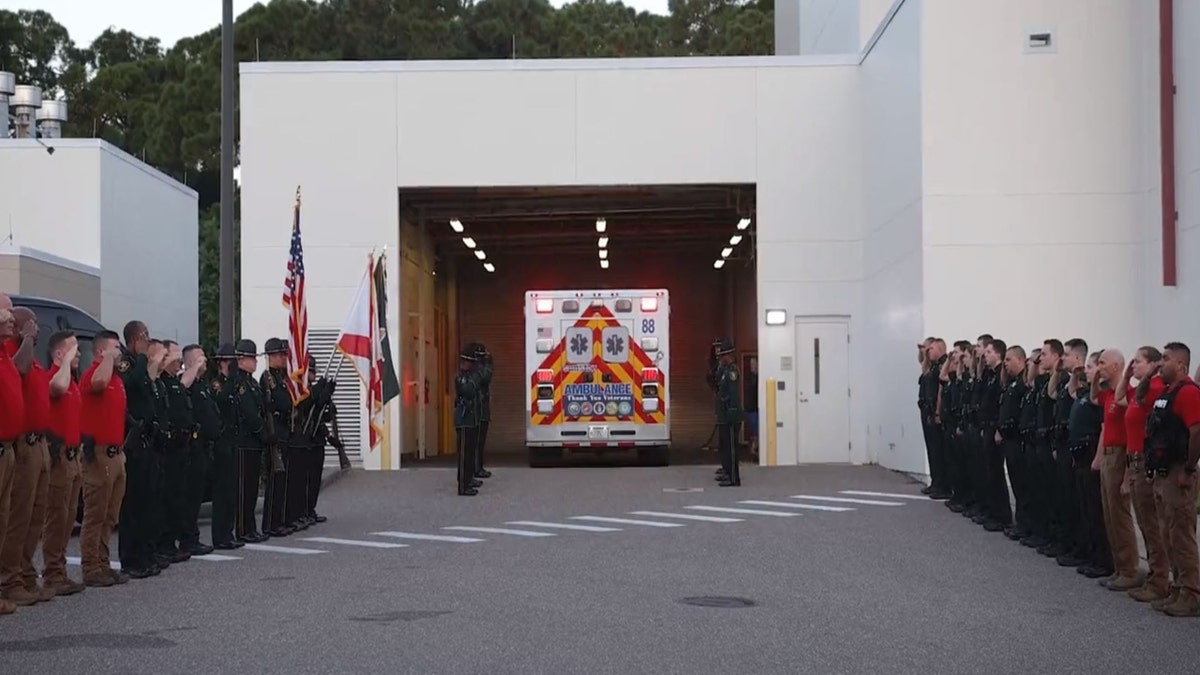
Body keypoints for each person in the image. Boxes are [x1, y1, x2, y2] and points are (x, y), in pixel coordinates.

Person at [1, 307, 53, 607]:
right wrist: (27, 340)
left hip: (39, 441)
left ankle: (24, 572)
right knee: (17, 517)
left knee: (34, 514)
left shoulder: (26, 354)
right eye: (28, 322)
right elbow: (19, 369)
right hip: (21, 444)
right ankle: (10, 579)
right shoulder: (12, 351)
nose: (35, 326)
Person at [1145, 342, 1200, 616]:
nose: (1160, 363)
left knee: (1181, 536)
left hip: (1179, 472)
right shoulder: (1166, 393)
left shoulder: (1188, 393)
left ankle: (1191, 594)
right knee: (1168, 534)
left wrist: (1188, 469)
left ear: (1181, 364)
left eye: (1165, 358)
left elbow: (1196, 432)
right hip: (1163, 472)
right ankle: (1177, 588)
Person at [1116, 347, 1170, 603]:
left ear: (1153, 364)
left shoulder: (1156, 388)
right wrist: (1127, 376)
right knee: (1146, 524)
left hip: (1146, 463)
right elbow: (1120, 399)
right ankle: (1154, 577)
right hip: (1134, 461)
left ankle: (1160, 580)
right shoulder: (1141, 391)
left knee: (1152, 525)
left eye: (1137, 362)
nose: (1133, 365)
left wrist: (1146, 377)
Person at [79, 330, 129, 588]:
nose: (119, 352)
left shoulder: (116, 377)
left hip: (116, 452)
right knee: (95, 512)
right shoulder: (94, 373)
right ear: (101, 351)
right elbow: (97, 384)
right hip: (98, 454)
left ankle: (103, 562)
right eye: (114, 348)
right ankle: (90, 566)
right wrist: (108, 359)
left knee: (110, 514)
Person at [115, 321, 163, 578]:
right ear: (134, 339)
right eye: (145, 336)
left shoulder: (140, 364)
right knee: (132, 505)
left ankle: (147, 552)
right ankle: (131, 558)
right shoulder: (128, 362)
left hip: (148, 442)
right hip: (133, 444)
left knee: (148, 502)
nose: (148, 339)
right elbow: (130, 384)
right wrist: (143, 357)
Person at [41, 330, 86, 596]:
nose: (78, 353)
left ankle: (60, 570)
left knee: (68, 518)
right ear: (59, 353)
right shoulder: (55, 378)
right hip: (58, 459)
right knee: (56, 517)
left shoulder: (72, 382)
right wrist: (65, 362)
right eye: (73, 349)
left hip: (73, 456)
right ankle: (51, 574)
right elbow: (55, 387)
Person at [1092, 349, 1139, 592]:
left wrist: (1128, 475)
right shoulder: (1109, 394)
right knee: (1110, 515)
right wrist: (1094, 378)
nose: (1099, 366)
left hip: (1122, 456)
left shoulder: (1128, 394)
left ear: (1117, 366)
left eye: (1103, 363)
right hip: (1109, 455)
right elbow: (1093, 397)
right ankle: (1119, 568)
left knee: (1120, 516)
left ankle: (1130, 570)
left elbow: (1132, 433)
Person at [157, 340, 199, 560]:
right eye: (173, 355)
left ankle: (173, 542)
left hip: (183, 446)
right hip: (169, 448)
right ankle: (165, 544)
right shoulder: (163, 382)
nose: (178, 360)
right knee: (168, 498)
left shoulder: (173, 382)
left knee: (179, 497)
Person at [180, 344, 216, 556]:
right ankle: (188, 539)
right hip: (192, 447)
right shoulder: (188, 381)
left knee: (197, 495)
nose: (205, 360)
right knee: (190, 497)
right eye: (200, 357)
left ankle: (192, 537)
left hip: (204, 447)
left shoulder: (202, 384)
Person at [233, 339, 269, 543]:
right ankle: (242, 529)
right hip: (245, 441)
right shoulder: (240, 384)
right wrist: (261, 430)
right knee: (244, 488)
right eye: (251, 358)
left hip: (254, 443)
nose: (255, 362)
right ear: (240, 360)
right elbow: (248, 413)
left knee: (253, 487)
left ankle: (250, 527)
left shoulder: (253, 383)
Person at [0, 298, 23, 615]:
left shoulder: (6, 352)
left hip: (8, 447)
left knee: (4, 522)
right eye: (5, 310)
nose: (11, 316)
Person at [209, 343, 243, 550]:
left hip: (233, 440)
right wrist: (230, 379)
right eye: (231, 361)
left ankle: (228, 532)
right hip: (221, 443)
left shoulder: (234, 382)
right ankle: (220, 535)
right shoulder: (216, 383)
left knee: (231, 491)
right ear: (222, 362)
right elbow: (223, 399)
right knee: (221, 492)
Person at [260, 338, 294, 537]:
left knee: (283, 481)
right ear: (271, 356)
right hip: (275, 431)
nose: (284, 358)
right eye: (281, 355)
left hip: (283, 430)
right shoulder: (267, 379)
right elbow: (278, 403)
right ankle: (270, 523)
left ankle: (279, 520)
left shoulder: (281, 378)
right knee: (274, 482)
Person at [918, 338, 950, 498]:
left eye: (930, 349)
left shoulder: (944, 364)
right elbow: (923, 370)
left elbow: (940, 390)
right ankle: (936, 482)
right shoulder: (932, 366)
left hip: (936, 412)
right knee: (932, 450)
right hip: (927, 410)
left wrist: (937, 412)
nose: (928, 351)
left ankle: (942, 485)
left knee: (939, 451)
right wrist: (923, 353)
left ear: (940, 348)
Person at [714, 338, 743, 488]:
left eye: (722, 356)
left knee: (732, 448)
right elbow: (717, 382)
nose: (721, 358)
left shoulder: (732, 372)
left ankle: (734, 478)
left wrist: (731, 412)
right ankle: (728, 473)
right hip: (725, 415)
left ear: (728, 355)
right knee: (726, 446)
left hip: (731, 416)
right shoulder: (725, 370)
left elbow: (733, 394)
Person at [454, 344, 481, 497]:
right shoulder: (462, 378)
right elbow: (469, 391)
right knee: (464, 454)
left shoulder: (470, 376)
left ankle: (468, 480)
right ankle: (463, 486)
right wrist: (476, 376)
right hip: (464, 418)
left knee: (470, 452)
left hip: (471, 418)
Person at [474, 343, 493, 480]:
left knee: (480, 441)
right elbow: (486, 377)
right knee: (477, 441)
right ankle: (476, 468)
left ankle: (478, 467)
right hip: (478, 409)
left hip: (481, 408)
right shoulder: (478, 369)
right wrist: (488, 362)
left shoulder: (477, 368)